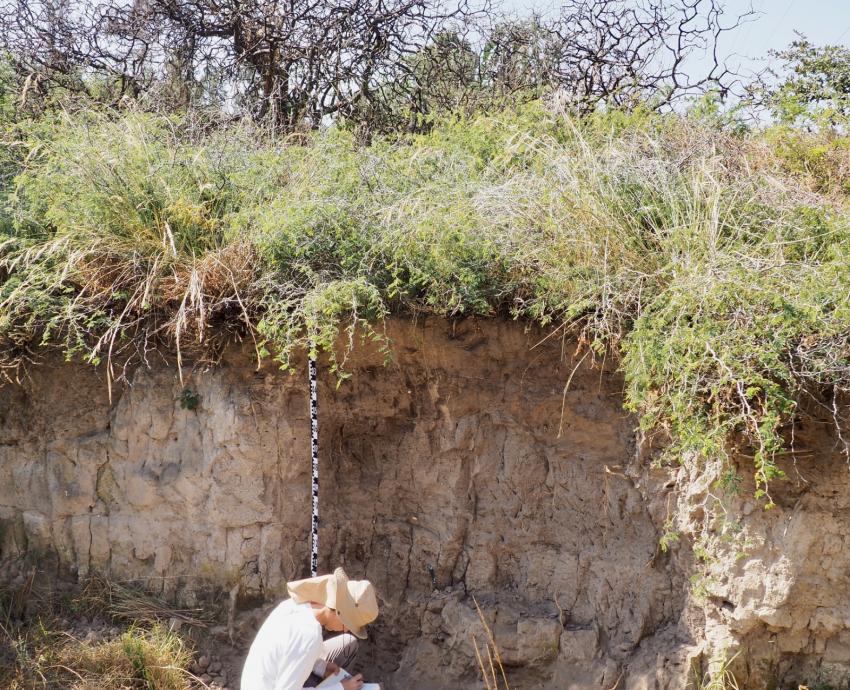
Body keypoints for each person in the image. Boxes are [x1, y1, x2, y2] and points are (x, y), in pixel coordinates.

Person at [241, 567, 379, 690]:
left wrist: (322, 667)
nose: (347, 629)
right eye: (348, 624)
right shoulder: (309, 635)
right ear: (339, 613)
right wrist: (341, 688)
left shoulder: (294, 605)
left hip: (264, 681)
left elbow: (291, 653)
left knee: (348, 643)